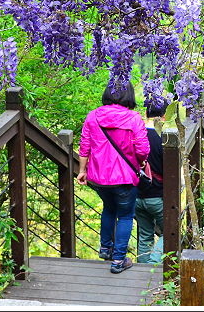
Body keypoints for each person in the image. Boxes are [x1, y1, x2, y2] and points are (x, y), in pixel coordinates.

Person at [76, 81, 149, 274]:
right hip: (125, 177)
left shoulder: (93, 116)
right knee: (125, 215)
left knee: (109, 208)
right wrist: (141, 162)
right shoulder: (134, 118)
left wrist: (82, 171)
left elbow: (85, 146)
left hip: (99, 177)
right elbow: (143, 149)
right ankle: (118, 260)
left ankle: (105, 248)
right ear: (130, 95)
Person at [135, 100, 166, 264]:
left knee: (145, 233)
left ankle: (142, 267)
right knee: (170, 231)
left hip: (137, 196)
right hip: (156, 197)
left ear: (146, 113)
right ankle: (152, 264)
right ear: (165, 116)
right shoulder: (163, 137)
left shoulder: (136, 135)